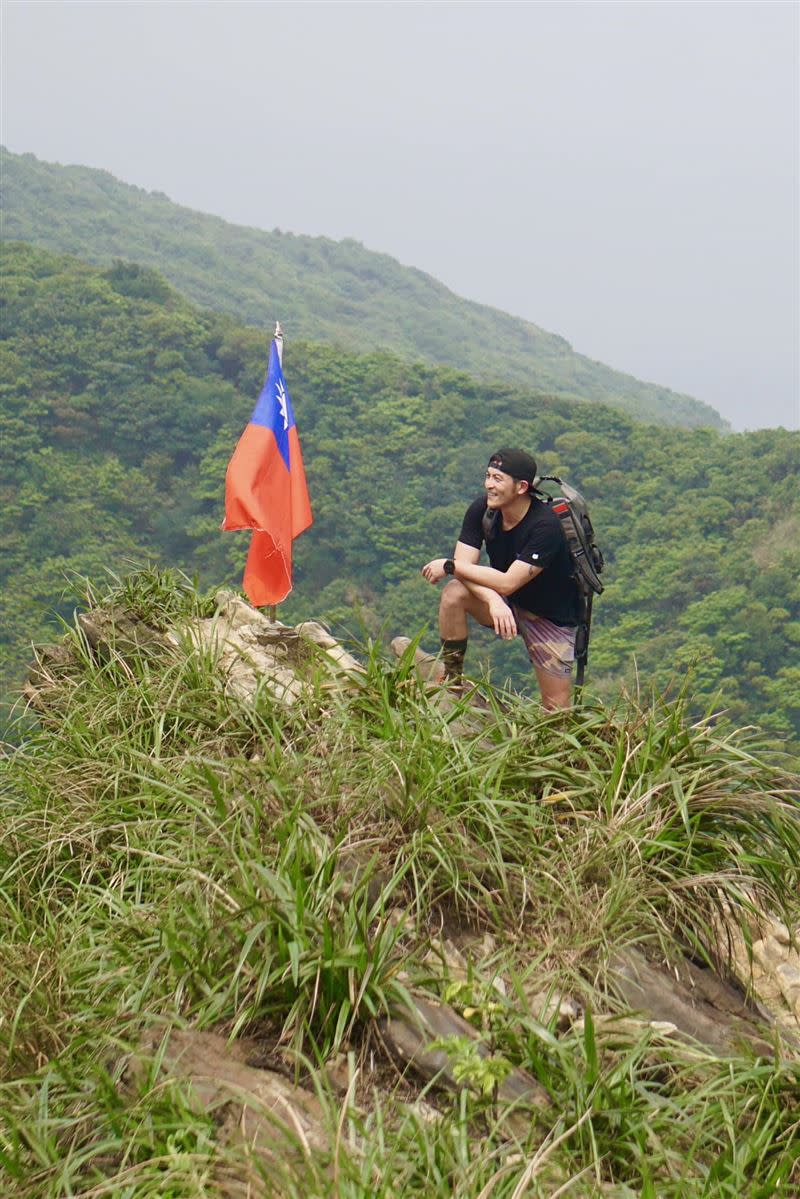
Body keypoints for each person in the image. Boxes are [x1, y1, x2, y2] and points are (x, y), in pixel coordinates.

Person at [421, 448, 580, 709]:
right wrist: (492, 599)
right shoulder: (483, 510)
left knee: (556, 710)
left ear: (521, 487)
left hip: (549, 617)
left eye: (497, 479)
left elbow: (507, 581)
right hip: (505, 601)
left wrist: (448, 565)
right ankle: (453, 680)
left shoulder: (545, 527)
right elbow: (464, 568)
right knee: (454, 593)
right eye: (488, 476)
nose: (489, 485)